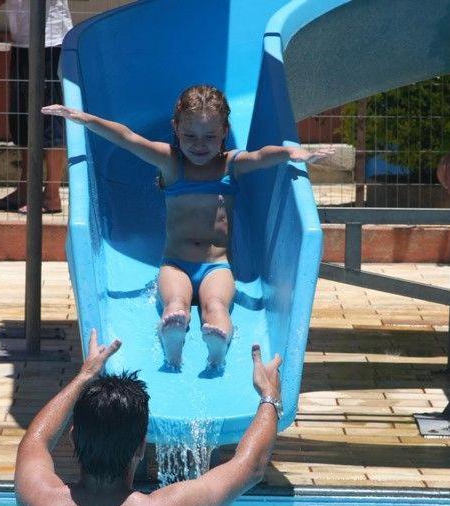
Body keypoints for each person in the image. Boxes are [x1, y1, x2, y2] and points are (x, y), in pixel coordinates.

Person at [43, 85, 332, 368]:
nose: (199, 145)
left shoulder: (231, 165)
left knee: (216, 305)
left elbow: (260, 156)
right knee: (175, 306)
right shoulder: (171, 163)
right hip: (175, 265)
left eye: (210, 136)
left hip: (217, 266)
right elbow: (128, 138)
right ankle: (173, 347)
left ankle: (217, 350)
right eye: (190, 136)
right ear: (175, 129)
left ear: (224, 133)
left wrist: (291, 153)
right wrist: (84, 118)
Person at [15, 328, 283, 506]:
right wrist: (269, 396)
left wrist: (85, 375)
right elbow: (250, 466)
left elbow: (35, 441)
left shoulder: (41, 504)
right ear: (141, 447)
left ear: (73, 438)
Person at [0, 0, 71, 213]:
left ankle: (52, 194)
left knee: (52, 118)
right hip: (23, 40)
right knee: (22, 117)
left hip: (51, 41)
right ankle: (26, 190)